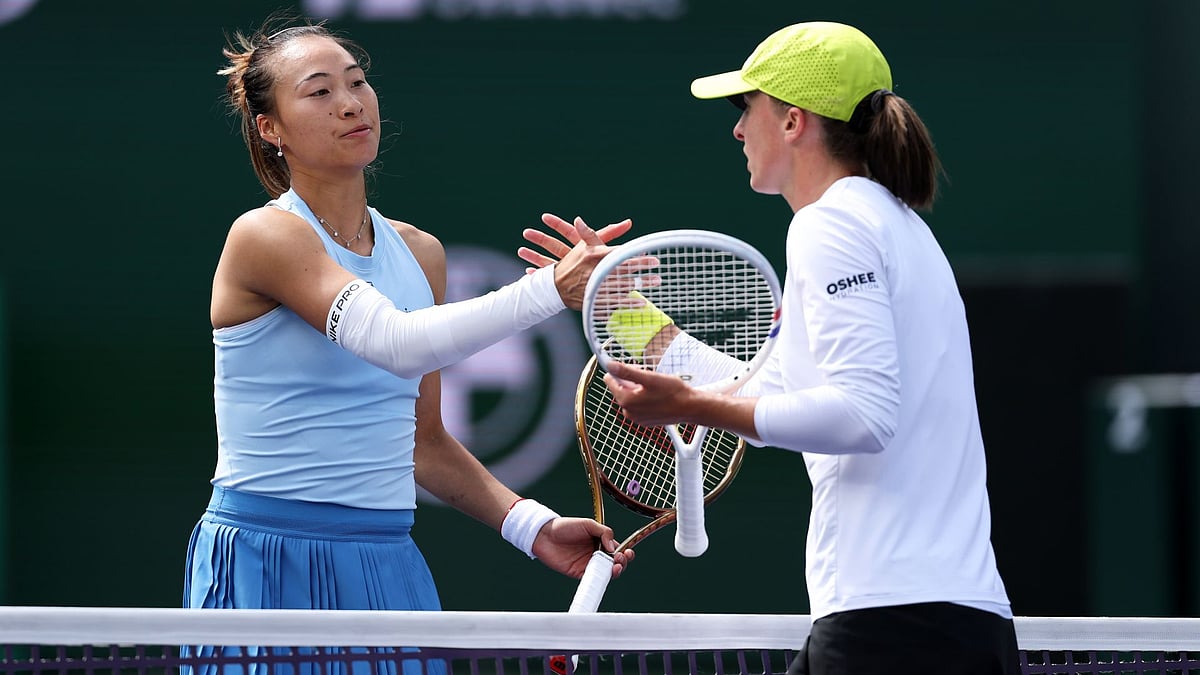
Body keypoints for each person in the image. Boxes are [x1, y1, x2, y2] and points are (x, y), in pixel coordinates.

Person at [525, 20, 1018, 675]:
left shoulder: (831, 224)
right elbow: (773, 394)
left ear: (792, 122)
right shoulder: (894, 225)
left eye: (745, 107)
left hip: (894, 628)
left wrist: (694, 406)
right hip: (941, 620)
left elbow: (864, 415)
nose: (736, 129)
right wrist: (629, 315)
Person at [185, 15, 635, 631]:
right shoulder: (265, 236)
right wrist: (550, 289)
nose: (349, 104)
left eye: (357, 83)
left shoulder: (421, 253)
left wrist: (533, 527)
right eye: (319, 92)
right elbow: (393, 343)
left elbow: (422, 442)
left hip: (385, 562)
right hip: (266, 556)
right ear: (270, 129)